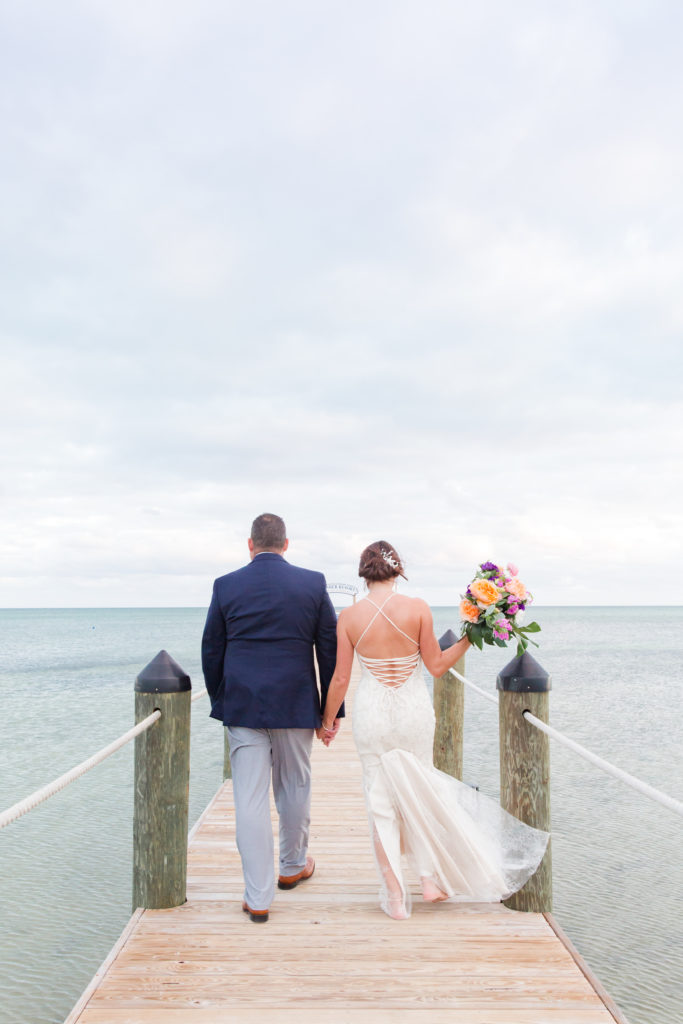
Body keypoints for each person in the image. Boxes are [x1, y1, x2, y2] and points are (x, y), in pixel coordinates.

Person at [320, 540, 549, 920]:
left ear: (363, 573)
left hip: (373, 711)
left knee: (381, 805)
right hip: (412, 710)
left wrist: (327, 723)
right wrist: (471, 634)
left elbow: (341, 677)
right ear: (397, 570)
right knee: (421, 790)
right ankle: (428, 879)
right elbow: (437, 666)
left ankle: (395, 897)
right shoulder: (418, 609)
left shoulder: (349, 617)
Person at [201, 513, 340, 923]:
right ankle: (293, 866)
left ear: (250, 544)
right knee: (295, 784)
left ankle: (258, 896)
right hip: (296, 702)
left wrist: (222, 700)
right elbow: (329, 649)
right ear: (286, 543)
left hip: (244, 705)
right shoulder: (312, 583)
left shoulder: (226, 585)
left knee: (249, 797)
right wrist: (330, 713)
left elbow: (212, 649)